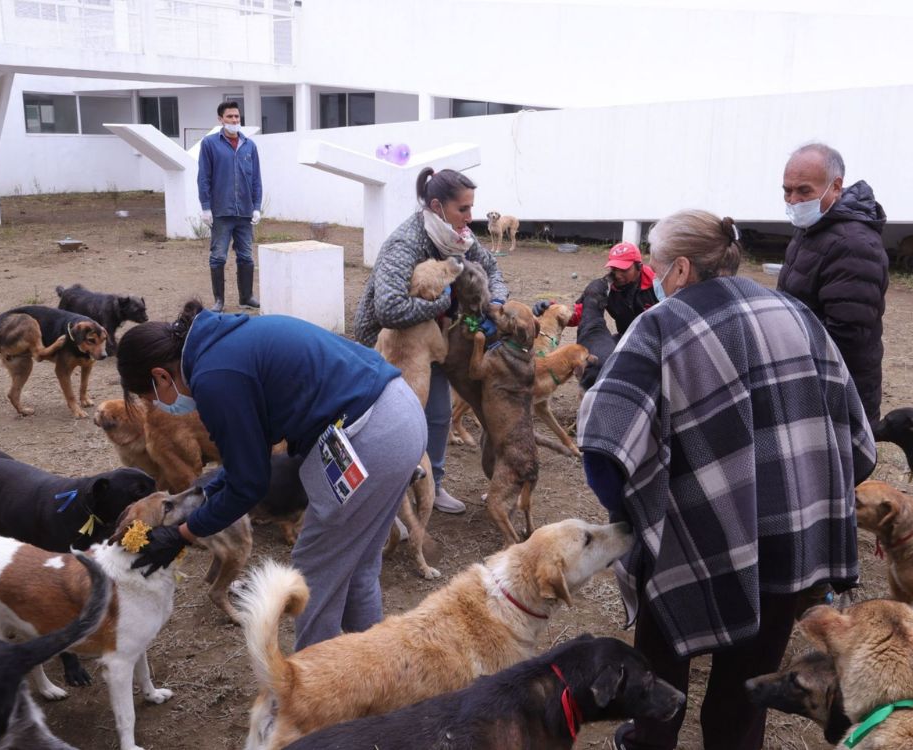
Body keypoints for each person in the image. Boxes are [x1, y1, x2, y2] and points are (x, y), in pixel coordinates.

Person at [578, 210, 876, 750]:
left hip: (689, 536)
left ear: (682, 268)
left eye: (655, 261)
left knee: (662, 659)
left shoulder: (659, 326)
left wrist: (631, 516)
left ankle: (652, 741)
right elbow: (851, 427)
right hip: (791, 534)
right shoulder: (794, 311)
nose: (651, 271)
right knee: (750, 676)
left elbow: (604, 443)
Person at [115, 301, 426, 650]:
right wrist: (210, 494)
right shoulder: (222, 340)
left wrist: (183, 534)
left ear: (160, 376)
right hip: (400, 413)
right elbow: (245, 461)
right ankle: (371, 671)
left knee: (315, 571)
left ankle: (314, 692)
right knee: (357, 566)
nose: (156, 406)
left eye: (148, 397)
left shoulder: (213, 377)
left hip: (368, 437)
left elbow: (249, 485)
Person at [353, 167, 509, 515]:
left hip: (431, 340)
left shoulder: (460, 237)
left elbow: (493, 270)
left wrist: (496, 300)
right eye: (463, 209)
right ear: (437, 206)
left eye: (472, 208)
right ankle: (384, 493)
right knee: (392, 422)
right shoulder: (405, 243)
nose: (470, 217)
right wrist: (446, 301)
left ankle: (432, 485)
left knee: (437, 416)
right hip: (388, 349)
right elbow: (389, 308)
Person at [778, 142, 888, 423]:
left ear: (836, 187)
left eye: (804, 190)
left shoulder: (853, 244)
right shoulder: (811, 231)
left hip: (836, 389)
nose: (793, 200)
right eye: (787, 190)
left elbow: (846, 336)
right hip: (807, 378)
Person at [534, 241, 657, 388]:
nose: (617, 274)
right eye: (614, 268)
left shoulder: (658, 284)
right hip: (627, 336)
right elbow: (581, 314)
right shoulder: (606, 288)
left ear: (639, 266)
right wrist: (551, 309)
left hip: (657, 340)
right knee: (598, 355)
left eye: (624, 270)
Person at [198, 100, 262, 313]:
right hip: (221, 211)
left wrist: (256, 206)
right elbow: (204, 177)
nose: (234, 120)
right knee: (218, 256)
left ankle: (246, 297)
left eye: (237, 117)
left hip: (244, 212)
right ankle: (219, 300)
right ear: (220, 120)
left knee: (246, 255)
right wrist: (206, 207)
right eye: (230, 117)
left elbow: (256, 180)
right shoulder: (209, 144)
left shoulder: (249, 146)